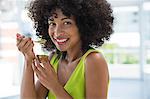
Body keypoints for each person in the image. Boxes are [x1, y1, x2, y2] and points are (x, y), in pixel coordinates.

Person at [16, 0, 114, 99]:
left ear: (84, 25)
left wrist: (55, 86)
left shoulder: (94, 60)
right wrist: (28, 60)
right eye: (52, 23)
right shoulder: (53, 59)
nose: (57, 33)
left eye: (67, 23)